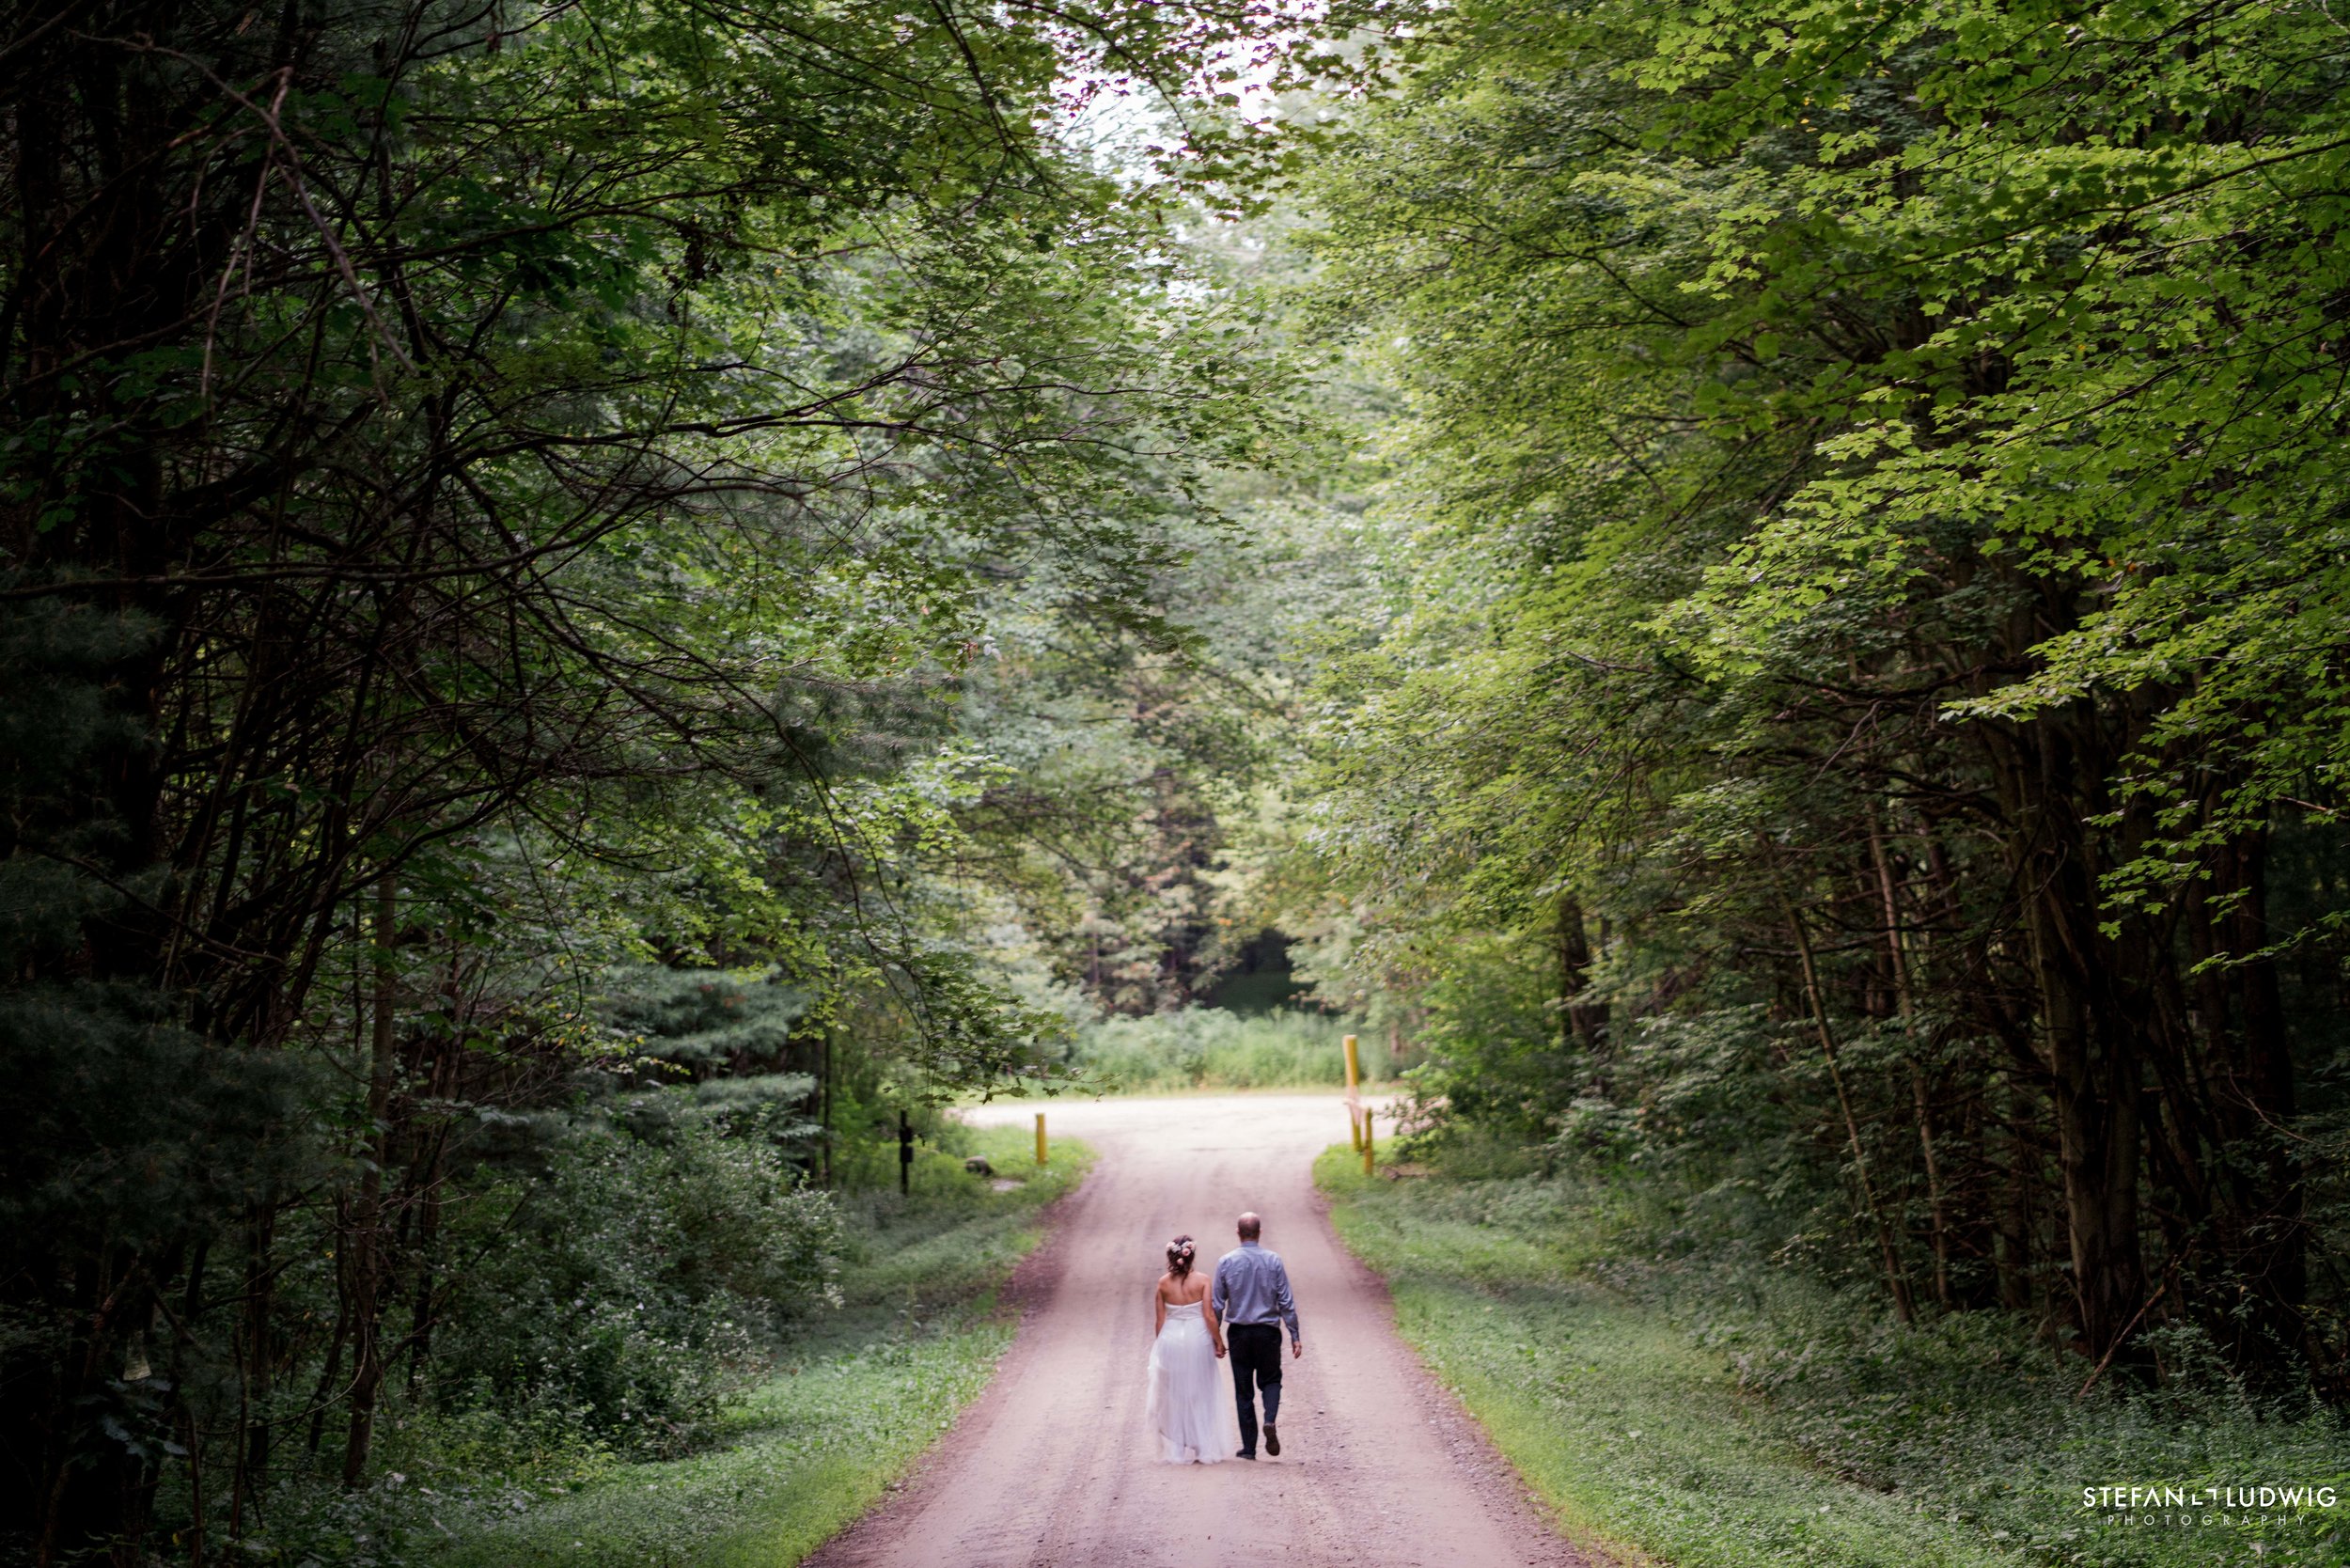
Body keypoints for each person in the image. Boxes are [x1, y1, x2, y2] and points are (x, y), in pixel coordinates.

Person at [1210, 1211, 1302, 1460]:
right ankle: (1269, 1420)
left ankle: (1249, 1448)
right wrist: (1294, 1334)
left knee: (1243, 1390)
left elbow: (1217, 1304)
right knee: (1271, 1380)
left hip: (1239, 1333)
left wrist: (1215, 1337)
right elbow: (1286, 1300)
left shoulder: (1226, 1262)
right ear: (1259, 1233)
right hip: (1268, 1332)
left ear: (1238, 1233)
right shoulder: (1274, 1261)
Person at [1144, 1234, 1230, 1463]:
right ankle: (1203, 1447)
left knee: (1176, 1393)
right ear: (1192, 1255)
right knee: (1201, 1391)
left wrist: (1160, 1347)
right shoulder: (1202, 1281)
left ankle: (1178, 1448)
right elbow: (1209, 1316)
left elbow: (1159, 1321)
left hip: (1171, 1339)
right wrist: (1218, 1342)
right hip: (1198, 1338)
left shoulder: (1163, 1283)